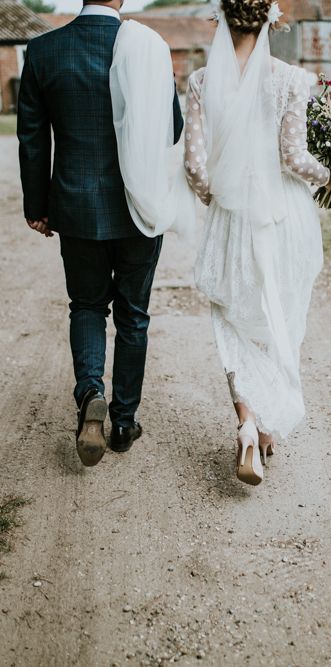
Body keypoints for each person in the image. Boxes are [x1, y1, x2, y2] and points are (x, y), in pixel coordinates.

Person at [17, 0, 184, 466]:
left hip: (75, 206)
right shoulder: (149, 48)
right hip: (137, 207)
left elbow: (32, 139)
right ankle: (124, 421)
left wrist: (37, 206)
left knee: (87, 306)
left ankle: (91, 391)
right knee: (133, 315)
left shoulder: (44, 50)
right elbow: (173, 128)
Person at [184, 0, 331, 485]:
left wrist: (220, 196)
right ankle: (269, 424)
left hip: (233, 219)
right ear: (270, 19)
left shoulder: (201, 82)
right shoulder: (291, 79)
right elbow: (294, 156)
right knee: (280, 315)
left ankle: (249, 423)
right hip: (284, 217)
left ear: (222, 19)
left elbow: (195, 165)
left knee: (234, 320)